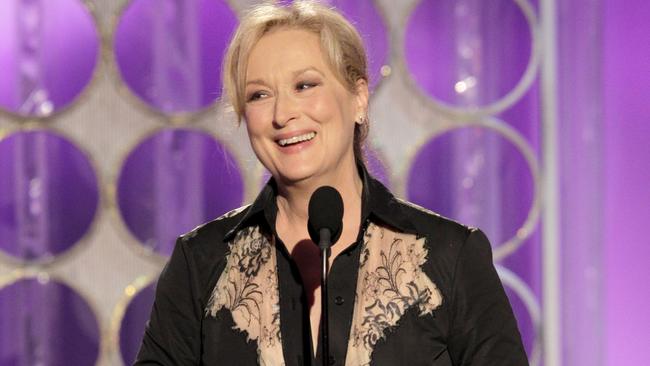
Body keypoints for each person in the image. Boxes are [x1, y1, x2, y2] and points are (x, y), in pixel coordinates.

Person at [134, 1, 528, 365]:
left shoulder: (451, 256)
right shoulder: (200, 263)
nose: (283, 113)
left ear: (358, 97)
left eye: (305, 85)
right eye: (258, 94)